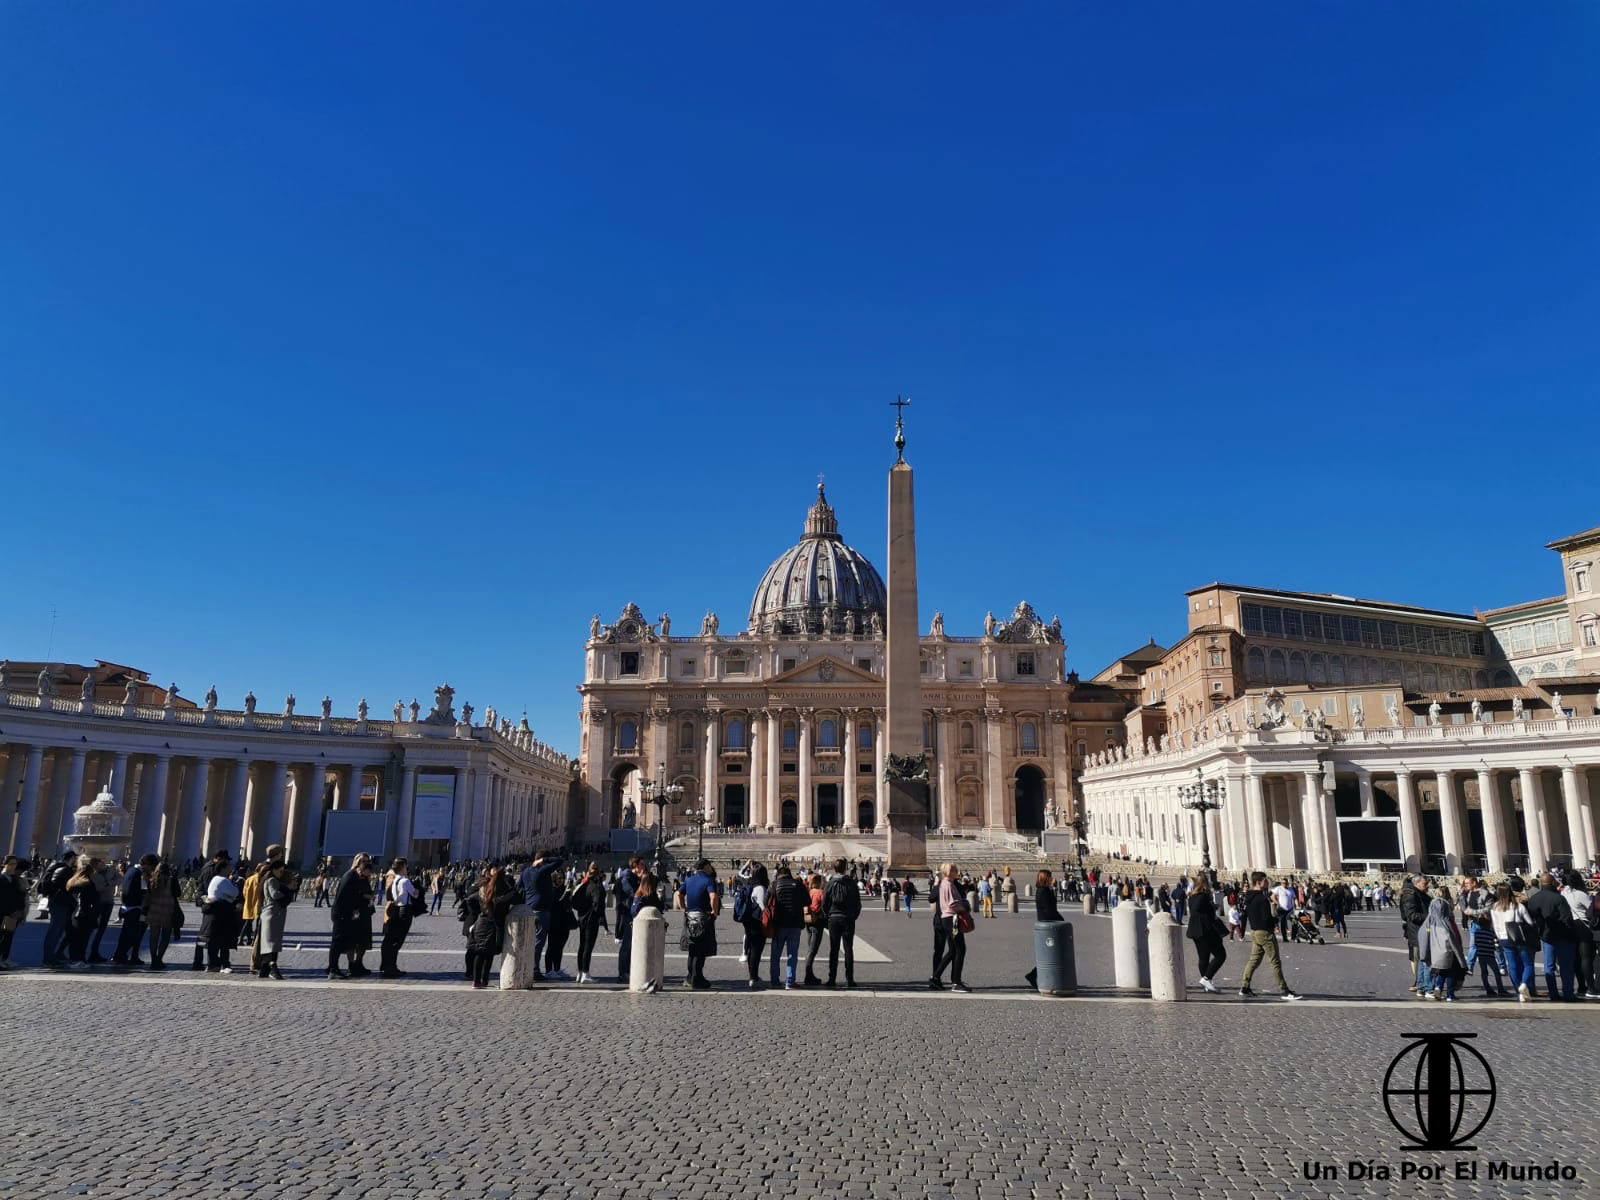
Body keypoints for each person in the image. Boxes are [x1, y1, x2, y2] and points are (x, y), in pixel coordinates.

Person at [1238, 871, 1303, 1001]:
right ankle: (1285, 990)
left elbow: (1248, 915)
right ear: (1259, 882)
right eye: (1265, 881)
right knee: (1275, 962)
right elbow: (1266, 918)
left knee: (1254, 960)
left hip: (1255, 932)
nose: (1268, 883)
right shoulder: (1262, 899)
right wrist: (1275, 919)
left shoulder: (1248, 897)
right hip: (1265, 933)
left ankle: (1245, 987)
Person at [1524, 872, 1577, 1001]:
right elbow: (1567, 918)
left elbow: (1530, 918)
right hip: (1562, 936)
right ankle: (1568, 993)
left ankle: (1553, 993)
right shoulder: (1558, 898)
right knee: (1566, 967)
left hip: (1545, 936)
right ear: (1553, 883)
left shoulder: (1534, 899)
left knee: (1548, 967)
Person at [462, 867, 516, 989]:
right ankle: (483, 980)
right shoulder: (498, 894)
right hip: (492, 924)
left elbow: (469, 900)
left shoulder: (483, 891)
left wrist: (477, 912)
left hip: (482, 922)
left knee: (481, 952)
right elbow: (514, 895)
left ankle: (477, 981)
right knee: (488, 953)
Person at [519, 850, 565, 983]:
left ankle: (527, 967)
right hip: (542, 910)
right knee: (538, 941)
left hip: (528, 909)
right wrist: (544, 860)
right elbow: (559, 861)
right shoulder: (542, 870)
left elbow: (518, 887)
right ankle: (534, 970)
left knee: (528, 940)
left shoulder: (526, 871)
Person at [328, 853, 375, 979]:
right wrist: (361, 899)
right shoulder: (350, 876)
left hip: (357, 913)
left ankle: (349, 966)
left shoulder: (362, 877)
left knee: (351, 941)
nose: (367, 864)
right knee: (338, 942)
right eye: (364, 862)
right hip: (344, 913)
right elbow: (344, 896)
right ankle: (333, 968)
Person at [257, 847, 300, 980]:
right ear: (274, 870)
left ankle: (264, 969)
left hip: (275, 914)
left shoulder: (274, 880)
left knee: (270, 942)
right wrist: (287, 889)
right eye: (280, 871)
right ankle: (273, 968)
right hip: (272, 914)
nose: (282, 874)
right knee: (271, 942)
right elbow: (275, 894)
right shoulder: (272, 880)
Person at [1490, 883, 1537, 1002]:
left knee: (1512, 965)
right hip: (1519, 937)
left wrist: (1499, 937)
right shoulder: (1518, 906)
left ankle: (1518, 991)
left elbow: (1495, 925)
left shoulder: (1494, 907)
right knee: (1528, 964)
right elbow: (1530, 922)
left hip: (1503, 938)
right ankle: (1524, 984)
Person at [677, 859, 720, 990]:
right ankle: (697, 978)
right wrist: (714, 911)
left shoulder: (689, 880)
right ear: (706, 867)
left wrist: (683, 908)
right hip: (703, 916)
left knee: (692, 948)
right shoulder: (708, 880)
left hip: (690, 916)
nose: (711, 869)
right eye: (710, 866)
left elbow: (679, 893)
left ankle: (690, 976)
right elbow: (713, 897)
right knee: (701, 949)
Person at [1417, 888, 1466, 1001]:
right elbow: (1454, 940)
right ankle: (1450, 994)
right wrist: (1460, 955)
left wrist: (1424, 954)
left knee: (1441, 972)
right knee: (1451, 972)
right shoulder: (1446, 922)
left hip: (1433, 954)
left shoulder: (1427, 922)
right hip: (1447, 952)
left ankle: (1438, 987)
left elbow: (1423, 937)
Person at [930, 862, 972, 992]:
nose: (957, 872)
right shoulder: (948, 884)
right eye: (955, 870)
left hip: (946, 919)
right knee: (960, 949)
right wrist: (964, 907)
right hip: (951, 918)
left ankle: (936, 977)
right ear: (949, 872)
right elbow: (952, 904)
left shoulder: (945, 884)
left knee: (953, 950)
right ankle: (956, 983)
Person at [112, 854, 158, 967]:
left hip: (127, 907)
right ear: (147, 865)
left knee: (126, 934)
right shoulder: (139, 874)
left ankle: (120, 956)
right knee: (131, 934)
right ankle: (120, 956)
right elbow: (143, 891)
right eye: (152, 867)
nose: (152, 870)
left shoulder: (131, 870)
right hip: (135, 908)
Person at [822, 858, 861, 988]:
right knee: (848, 948)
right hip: (848, 919)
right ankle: (850, 979)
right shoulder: (851, 883)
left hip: (833, 918)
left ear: (834, 868)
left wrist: (828, 915)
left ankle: (831, 979)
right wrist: (853, 916)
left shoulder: (830, 883)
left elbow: (824, 903)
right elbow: (858, 904)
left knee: (834, 949)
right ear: (845, 868)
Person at [1185, 874, 1228, 993]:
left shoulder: (1191, 897)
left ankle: (1206, 984)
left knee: (1203, 958)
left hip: (1194, 930)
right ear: (1205, 884)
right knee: (1220, 955)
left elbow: (1197, 910)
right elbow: (1207, 913)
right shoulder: (1204, 896)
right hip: (1205, 929)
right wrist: (1213, 907)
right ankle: (1206, 978)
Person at [190, 850, 231, 971]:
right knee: (207, 934)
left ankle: (207, 961)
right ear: (218, 858)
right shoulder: (210, 870)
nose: (227, 862)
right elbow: (210, 888)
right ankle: (207, 962)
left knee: (207, 933)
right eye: (225, 860)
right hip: (209, 904)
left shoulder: (209, 867)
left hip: (208, 903)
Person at [767, 864, 807, 990]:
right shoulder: (798, 884)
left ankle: (774, 981)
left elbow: (766, 901)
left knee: (775, 954)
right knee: (792, 954)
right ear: (789, 873)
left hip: (778, 924)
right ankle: (790, 982)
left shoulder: (774, 885)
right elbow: (807, 901)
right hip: (795, 924)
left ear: (779, 874)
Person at [1024, 869, 1062, 991]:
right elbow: (1049, 910)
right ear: (1045, 878)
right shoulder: (1044, 891)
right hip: (1049, 924)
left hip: (1047, 923)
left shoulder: (1043, 890)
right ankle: (1033, 975)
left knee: (1049, 954)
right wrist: (1061, 921)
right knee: (1050, 954)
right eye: (1050, 877)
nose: (1052, 878)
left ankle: (1034, 975)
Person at [1559, 871, 1596, 999]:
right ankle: (1591, 988)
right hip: (1582, 926)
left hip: (1570, 926)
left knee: (1576, 959)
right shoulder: (1580, 894)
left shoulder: (1563, 893)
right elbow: (1591, 910)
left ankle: (1581, 986)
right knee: (1586, 958)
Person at [571, 862, 609, 984]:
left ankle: (580, 972)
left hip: (582, 917)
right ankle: (586, 973)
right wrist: (599, 915)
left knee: (582, 946)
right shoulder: (596, 886)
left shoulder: (584, 883)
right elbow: (598, 903)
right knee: (588, 946)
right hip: (591, 919)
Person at [38, 850, 78, 968]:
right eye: (74, 858)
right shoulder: (63, 869)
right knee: (55, 931)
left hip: (57, 902)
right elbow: (64, 886)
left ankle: (52, 955)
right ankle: (48, 958)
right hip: (59, 902)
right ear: (71, 858)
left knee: (57, 930)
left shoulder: (57, 867)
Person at [141, 859, 182, 970]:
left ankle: (154, 959)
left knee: (153, 937)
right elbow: (178, 893)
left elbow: (148, 896)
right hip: (168, 910)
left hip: (154, 910)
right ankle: (159, 959)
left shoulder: (152, 880)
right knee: (165, 936)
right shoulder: (172, 880)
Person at [379, 858, 417, 978]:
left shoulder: (394, 879)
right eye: (406, 866)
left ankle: (389, 966)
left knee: (392, 939)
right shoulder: (404, 881)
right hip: (404, 910)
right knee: (397, 940)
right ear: (402, 867)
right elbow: (414, 893)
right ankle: (391, 967)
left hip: (395, 908)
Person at [63, 857, 103, 969]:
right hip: (84, 914)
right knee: (82, 939)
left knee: (74, 939)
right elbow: (90, 901)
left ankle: (74, 959)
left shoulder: (72, 882)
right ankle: (79, 960)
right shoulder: (88, 884)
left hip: (73, 913)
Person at [203, 864, 242, 973]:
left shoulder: (214, 879)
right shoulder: (223, 880)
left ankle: (211, 964)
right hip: (223, 913)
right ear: (222, 869)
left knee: (213, 941)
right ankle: (225, 964)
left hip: (213, 912)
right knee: (224, 940)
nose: (230, 869)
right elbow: (235, 892)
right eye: (227, 867)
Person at [1398, 874, 1431, 995]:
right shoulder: (1410, 895)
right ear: (1416, 883)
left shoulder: (1419, 894)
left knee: (1422, 960)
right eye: (1425, 883)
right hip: (1417, 932)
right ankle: (1423, 985)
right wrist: (1430, 917)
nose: (1427, 886)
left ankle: (1422, 985)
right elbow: (1411, 915)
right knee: (1422, 960)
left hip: (1422, 931)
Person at [615, 857, 641, 980]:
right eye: (641, 864)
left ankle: (629, 970)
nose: (643, 867)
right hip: (628, 914)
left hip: (632, 913)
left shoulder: (634, 877)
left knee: (632, 944)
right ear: (635, 865)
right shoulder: (627, 878)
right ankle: (623, 972)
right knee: (627, 944)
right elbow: (633, 893)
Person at [0, 855, 25, 969]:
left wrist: (20, 910)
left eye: (15, 864)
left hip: (13, 912)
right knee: (1, 936)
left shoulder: (15, 878)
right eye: (11, 864)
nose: (13, 866)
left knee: (9, 936)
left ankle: (5, 958)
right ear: (4, 864)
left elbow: (19, 895)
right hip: (2, 911)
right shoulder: (1, 877)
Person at [802, 871, 826, 986]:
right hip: (817, 923)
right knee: (813, 950)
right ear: (818, 882)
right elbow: (824, 907)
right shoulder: (821, 892)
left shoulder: (808, 891)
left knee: (810, 949)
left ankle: (809, 974)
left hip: (808, 922)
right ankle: (808, 975)